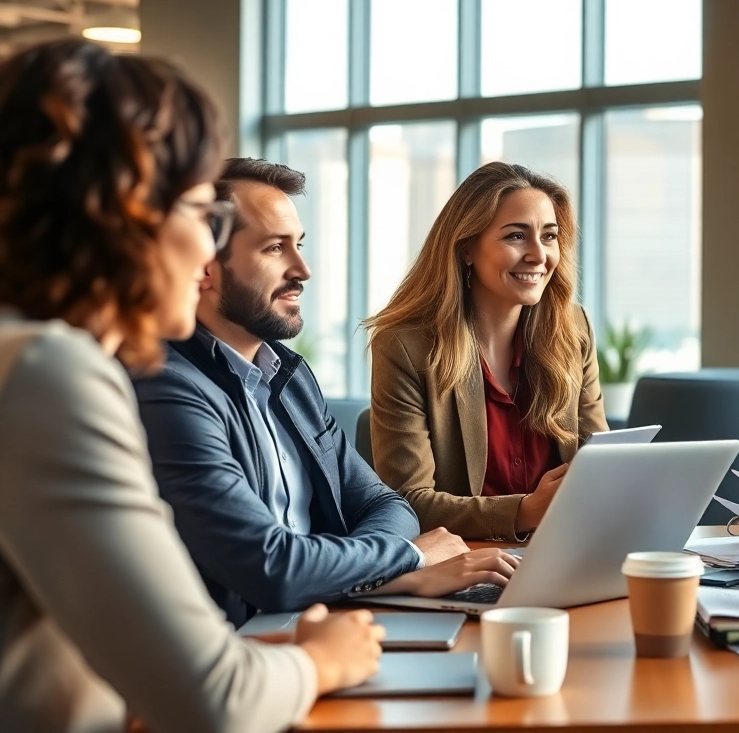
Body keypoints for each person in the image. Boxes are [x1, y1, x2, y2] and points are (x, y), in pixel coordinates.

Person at [0, 38, 383, 733]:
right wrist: (324, 661)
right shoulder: (45, 372)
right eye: (205, 215)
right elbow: (219, 703)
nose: (210, 253)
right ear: (125, 214)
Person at [134, 157, 517, 628]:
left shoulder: (289, 376)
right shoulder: (169, 390)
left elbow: (386, 505)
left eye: (299, 245)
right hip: (243, 650)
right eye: (275, 248)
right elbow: (272, 568)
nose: (303, 269)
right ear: (206, 268)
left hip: (328, 618)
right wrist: (405, 561)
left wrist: (377, 572)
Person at [366, 162, 606, 541]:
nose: (538, 255)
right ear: (466, 249)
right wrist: (525, 510)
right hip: (466, 563)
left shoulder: (573, 331)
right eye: (515, 236)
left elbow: (602, 462)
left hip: (566, 551)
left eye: (549, 236)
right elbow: (408, 502)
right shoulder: (405, 346)